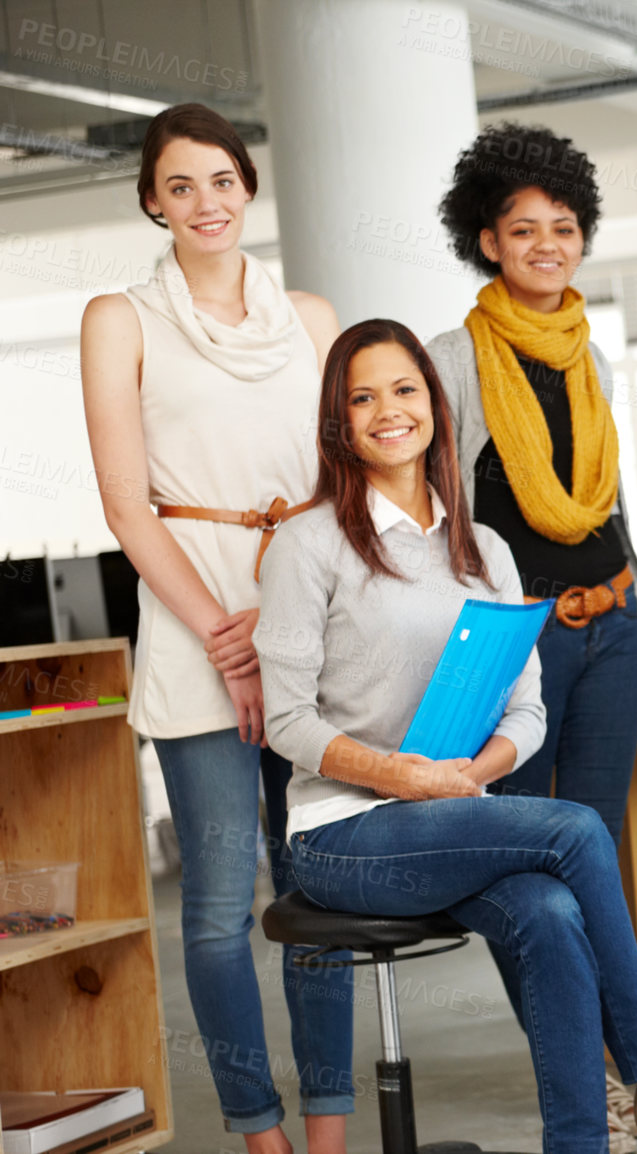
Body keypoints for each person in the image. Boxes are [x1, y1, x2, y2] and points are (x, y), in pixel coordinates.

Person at [256, 318, 637, 1154]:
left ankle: (580, 1143)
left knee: (546, 909)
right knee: (575, 827)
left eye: (405, 390)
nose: (387, 411)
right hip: (346, 833)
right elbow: (287, 721)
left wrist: (472, 772)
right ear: (339, 422)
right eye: (362, 397)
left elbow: (526, 716)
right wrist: (403, 777)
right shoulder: (308, 544)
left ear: (434, 405)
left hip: (449, 811)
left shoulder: (484, 549)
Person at [80, 103, 353, 1153]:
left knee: (319, 886)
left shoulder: (314, 316)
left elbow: (344, 481)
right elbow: (124, 503)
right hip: (193, 623)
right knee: (216, 906)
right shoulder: (121, 318)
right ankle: (259, 1132)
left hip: (314, 622)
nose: (206, 202)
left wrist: (283, 623)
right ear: (152, 198)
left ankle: (327, 1128)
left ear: (249, 188)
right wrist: (224, 632)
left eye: (223, 181)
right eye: (180, 185)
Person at [426, 124, 637, 1146]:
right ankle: (586, 1067)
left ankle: (626, 1071)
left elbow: (608, 508)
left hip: (610, 627)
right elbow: (440, 515)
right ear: (487, 239)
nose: (548, 244)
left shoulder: (590, 352)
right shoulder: (451, 360)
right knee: (527, 875)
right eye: (524, 228)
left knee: (599, 858)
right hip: (515, 642)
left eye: (565, 226)